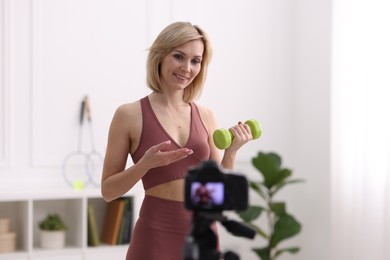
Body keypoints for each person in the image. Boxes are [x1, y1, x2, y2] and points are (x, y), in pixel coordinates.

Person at [101, 21, 253, 260]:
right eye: (179, 57)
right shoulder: (128, 114)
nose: (187, 68)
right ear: (160, 56)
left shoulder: (206, 115)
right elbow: (108, 191)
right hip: (154, 236)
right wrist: (145, 165)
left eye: (196, 61)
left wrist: (231, 152)